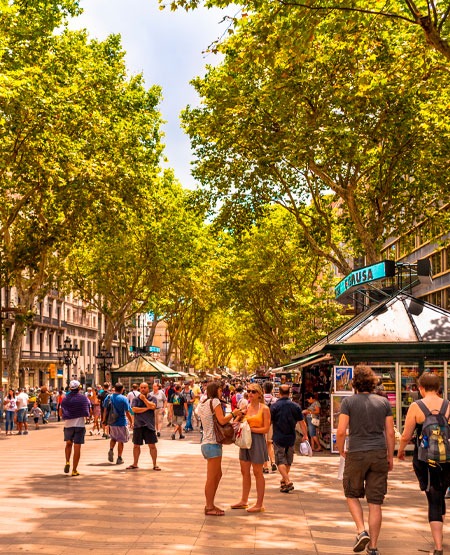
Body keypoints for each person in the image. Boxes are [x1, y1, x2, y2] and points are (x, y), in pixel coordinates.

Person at [336, 365, 395, 555]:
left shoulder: (349, 402)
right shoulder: (384, 403)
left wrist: (340, 449)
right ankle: (374, 547)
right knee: (375, 502)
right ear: (372, 382)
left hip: (356, 452)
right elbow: (391, 432)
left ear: (354, 384)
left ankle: (361, 530)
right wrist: (390, 456)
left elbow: (341, 430)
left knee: (351, 494)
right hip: (378, 453)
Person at [398, 372, 450, 555]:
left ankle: (437, 547)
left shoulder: (416, 406)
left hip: (425, 460)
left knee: (433, 500)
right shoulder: (448, 405)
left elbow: (406, 435)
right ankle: (440, 537)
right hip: (447, 460)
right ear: (438, 388)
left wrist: (401, 450)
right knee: (441, 493)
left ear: (420, 388)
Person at [197, 381, 242, 516]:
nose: (222, 392)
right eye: (220, 390)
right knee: (212, 477)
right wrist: (234, 414)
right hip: (212, 443)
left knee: (217, 475)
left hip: (206, 443)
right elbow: (222, 420)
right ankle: (209, 506)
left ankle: (211, 503)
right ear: (215, 390)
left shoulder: (203, 403)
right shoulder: (215, 401)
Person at [231, 383, 271, 513]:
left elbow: (266, 429)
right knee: (244, 471)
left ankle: (259, 504)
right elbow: (235, 423)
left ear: (259, 394)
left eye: (253, 391)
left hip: (257, 441)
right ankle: (244, 500)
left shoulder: (264, 409)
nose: (250, 394)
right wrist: (238, 416)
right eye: (248, 391)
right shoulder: (245, 407)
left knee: (258, 472)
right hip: (245, 441)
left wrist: (250, 429)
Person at [270, 384, 307, 493]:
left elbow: (269, 422)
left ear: (279, 393)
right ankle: (284, 482)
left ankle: (287, 480)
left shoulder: (274, 406)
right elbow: (302, 423)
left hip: (278, 437)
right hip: (291, 437)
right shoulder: (295, 406)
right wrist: (305, 435)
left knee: (280, 460)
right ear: (290, 393)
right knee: (288, 460)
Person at [127, 382, 161, 471]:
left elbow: (153, 406)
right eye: (141, 388)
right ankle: (135, 463)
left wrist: (145, 400)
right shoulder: (135, 399)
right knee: (136, 445)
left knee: (152, 446)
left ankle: (155, 464)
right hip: (138, 425)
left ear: (148, 388)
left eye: (144, 387)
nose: (143, 389)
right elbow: (134, 410)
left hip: (149, 425)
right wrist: (147, 408)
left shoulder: (152, 398)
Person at [60, 380, 91, 476]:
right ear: (79, 388)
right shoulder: (83, 398)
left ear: (70, 388)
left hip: (68, 425)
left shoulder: (65, 399)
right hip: (80, 425)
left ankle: (67, 461)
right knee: (77, 447)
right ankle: (74, 470)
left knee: (68, 444)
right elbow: (87, 413)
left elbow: (61, 413)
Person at [104, 382, 132, 465]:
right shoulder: (123, 398)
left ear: (114, 388)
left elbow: (105, 410)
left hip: (112, 422)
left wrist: (104, 420)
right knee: (121, 440)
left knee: (113, 438)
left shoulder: (108, 397)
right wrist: (131, 421)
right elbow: (127, 412)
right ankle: (119, 458)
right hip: (121, 422)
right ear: (122, 389)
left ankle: (111, 449)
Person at [263, 381, 277, 474]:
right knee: (270, 444)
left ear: (263, 389)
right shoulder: (275, 400)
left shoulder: (260, 399)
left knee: (263, 445)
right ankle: (273, 462)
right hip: (271, 424)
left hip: (262, 424)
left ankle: (265, 466)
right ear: (272, 389)